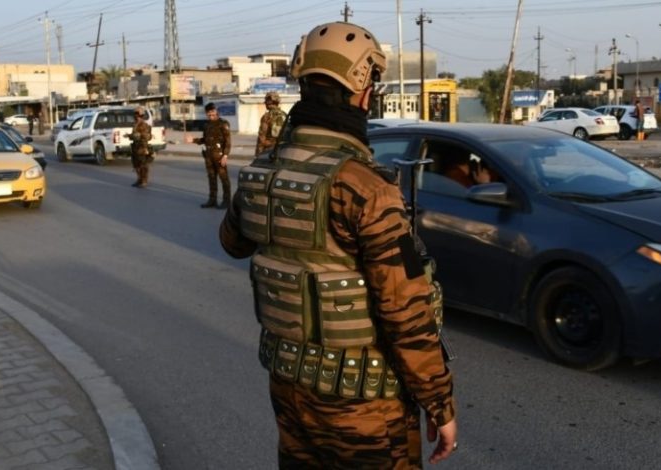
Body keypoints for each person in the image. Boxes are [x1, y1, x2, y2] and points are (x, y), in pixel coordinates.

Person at [219, 21, 457, 467]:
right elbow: (405, 312)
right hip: (364, 406)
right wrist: (439, 402)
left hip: (290, 388)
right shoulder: (365, 187)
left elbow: (232, 242)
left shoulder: (264, 170)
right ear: (364, 90)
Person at [185, 103, 231, 208]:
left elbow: (228, 141)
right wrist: (193, 140)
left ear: (216, 111)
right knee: (212, 178)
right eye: (208, 113)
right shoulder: (207, 125)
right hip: (209, 156)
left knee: (224, 179)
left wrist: (225, 156)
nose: (211, 115)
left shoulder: (223, 124)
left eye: (212, 112)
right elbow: (204, 140)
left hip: (219, 156)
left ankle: (226, 201)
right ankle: (212, 200)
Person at [127, 106, 154, 188]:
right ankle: (139, 179)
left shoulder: (143, 125)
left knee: (143, 165)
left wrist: (145, 148)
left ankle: (144, 180)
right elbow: (135, 135)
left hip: (142, 146)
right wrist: (130, 136)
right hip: (136, 146)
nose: (135, 116)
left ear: (139, 115)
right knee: (136, 165)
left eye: (136, 114)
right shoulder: (136, 124)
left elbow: (145, 137)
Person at [256, 91, 288, 155]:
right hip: (283, 149)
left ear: (269, 102)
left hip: (270, 149)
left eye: (266, 101)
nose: (265, 103)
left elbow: (262, 138)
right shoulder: (285, 115)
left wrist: (258, 154)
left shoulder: (267, 116)